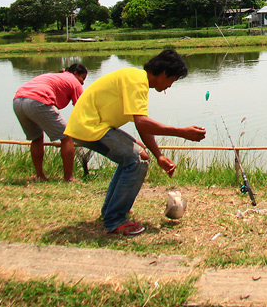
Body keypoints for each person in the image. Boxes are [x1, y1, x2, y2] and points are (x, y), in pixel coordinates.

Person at [64, 49, 206, 236]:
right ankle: (115, 219)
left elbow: (142, 125)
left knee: (138, 157)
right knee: (136, 161)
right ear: (164, 73)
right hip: (89, 127)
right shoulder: (137, 81)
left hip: (92, 126)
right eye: (172, 80)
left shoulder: (137, 79)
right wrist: (181, 132)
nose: (170, 86)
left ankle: (111, 210)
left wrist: (159, 156)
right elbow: (142, 122)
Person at [13, 63, 88, 182]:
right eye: (82, 78)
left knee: (37, 138)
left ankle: (40, 176)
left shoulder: (55, 76)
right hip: (37, 101)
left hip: (18, 101)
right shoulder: (74, 82)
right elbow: (82, 108)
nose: (82, 83)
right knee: (67, 137)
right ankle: (69, 178)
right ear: (75, 73)